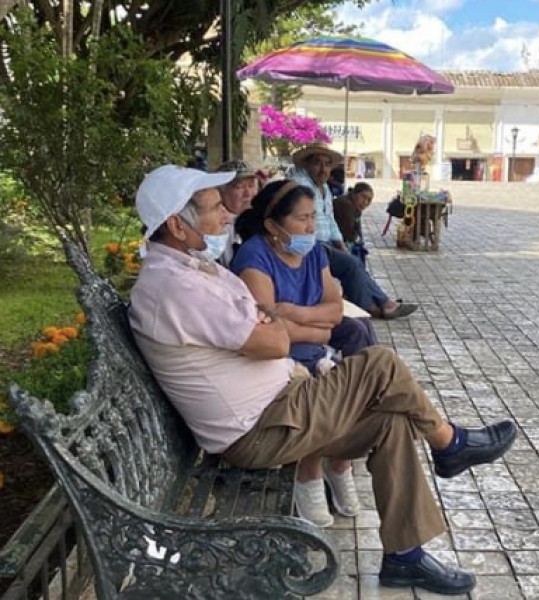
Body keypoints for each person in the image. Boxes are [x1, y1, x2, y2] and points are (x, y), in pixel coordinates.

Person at [128, 164, 518, 596]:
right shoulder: (177, 288)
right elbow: (275, 341)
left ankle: (405, 557)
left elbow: (270, 320)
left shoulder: (195, 270)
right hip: (261, 429)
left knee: (393, 420)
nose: (226, 214)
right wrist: (271, 323)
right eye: (214, 207)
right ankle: (451, 444)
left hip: (284, 406)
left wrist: (272, 319)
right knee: (379, 364)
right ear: (174, 226)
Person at [230, 179, 381, 526]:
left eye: (313, 216)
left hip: (309, 334)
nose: (311, 227)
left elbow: (333, 308)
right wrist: (316, 327)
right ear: (272, 225)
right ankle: (309, 470)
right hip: (278, 351)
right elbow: (269, 326)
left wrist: (296, 312)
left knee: (359, 336)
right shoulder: (254, 257)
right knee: (322, 374)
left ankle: (341, 459)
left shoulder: (313, 251)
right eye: (301, 219)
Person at [291, 143, 417, 319]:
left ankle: (381, 303)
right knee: (351, 264)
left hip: (324, 243)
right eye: (317, 163)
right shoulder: (300, 185)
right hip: (308, 245)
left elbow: (330, 221)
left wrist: (341, 245)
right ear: (306, 164)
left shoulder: (324, 188)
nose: (323, 169)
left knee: (353, 260)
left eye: (327, 164)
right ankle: (373, 306)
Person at [216, 159, 260, 266]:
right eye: (239, 187)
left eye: (251, 186)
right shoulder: (215, 228)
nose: (248, 193)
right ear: (221, 191)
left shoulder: (262, 219)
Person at [333, 182, 374, 248]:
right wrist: (359, 240)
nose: (365, 202)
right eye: (363, 197)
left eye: (369, 200)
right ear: (354, 194)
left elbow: (356, 230)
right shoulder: (347, 205)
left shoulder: (354, 205)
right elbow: (349, 234)